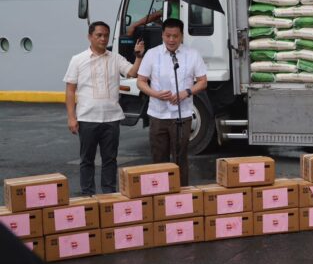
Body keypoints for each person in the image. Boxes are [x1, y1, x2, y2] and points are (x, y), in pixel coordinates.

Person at [64, 21, 145, 195]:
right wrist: (71, 117)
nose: (103, 38)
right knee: (87, 160)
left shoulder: (115, 58)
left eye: (106, 35)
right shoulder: (78, 60)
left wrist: (138, 56)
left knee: (110, 159)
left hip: (112, 118)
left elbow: (132, 72)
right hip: (87, 118)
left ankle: (109, 195)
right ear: (89, 37)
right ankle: (88, 195)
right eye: (99, 35)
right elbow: (70, 90)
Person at [136, 18, 207, 186]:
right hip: (158, 115)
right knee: (159, 158)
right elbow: (141, 81)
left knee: (180, 157)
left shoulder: (192, 54)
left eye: (175, 36)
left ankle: (180, 197)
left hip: (182, 116)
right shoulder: (152, 54)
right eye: (168, 35)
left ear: (182, 36)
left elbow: (203, 81)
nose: (171, 40)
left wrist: (186, 92)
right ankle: (160, 195)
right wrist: (155, 94)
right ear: (162, 35)